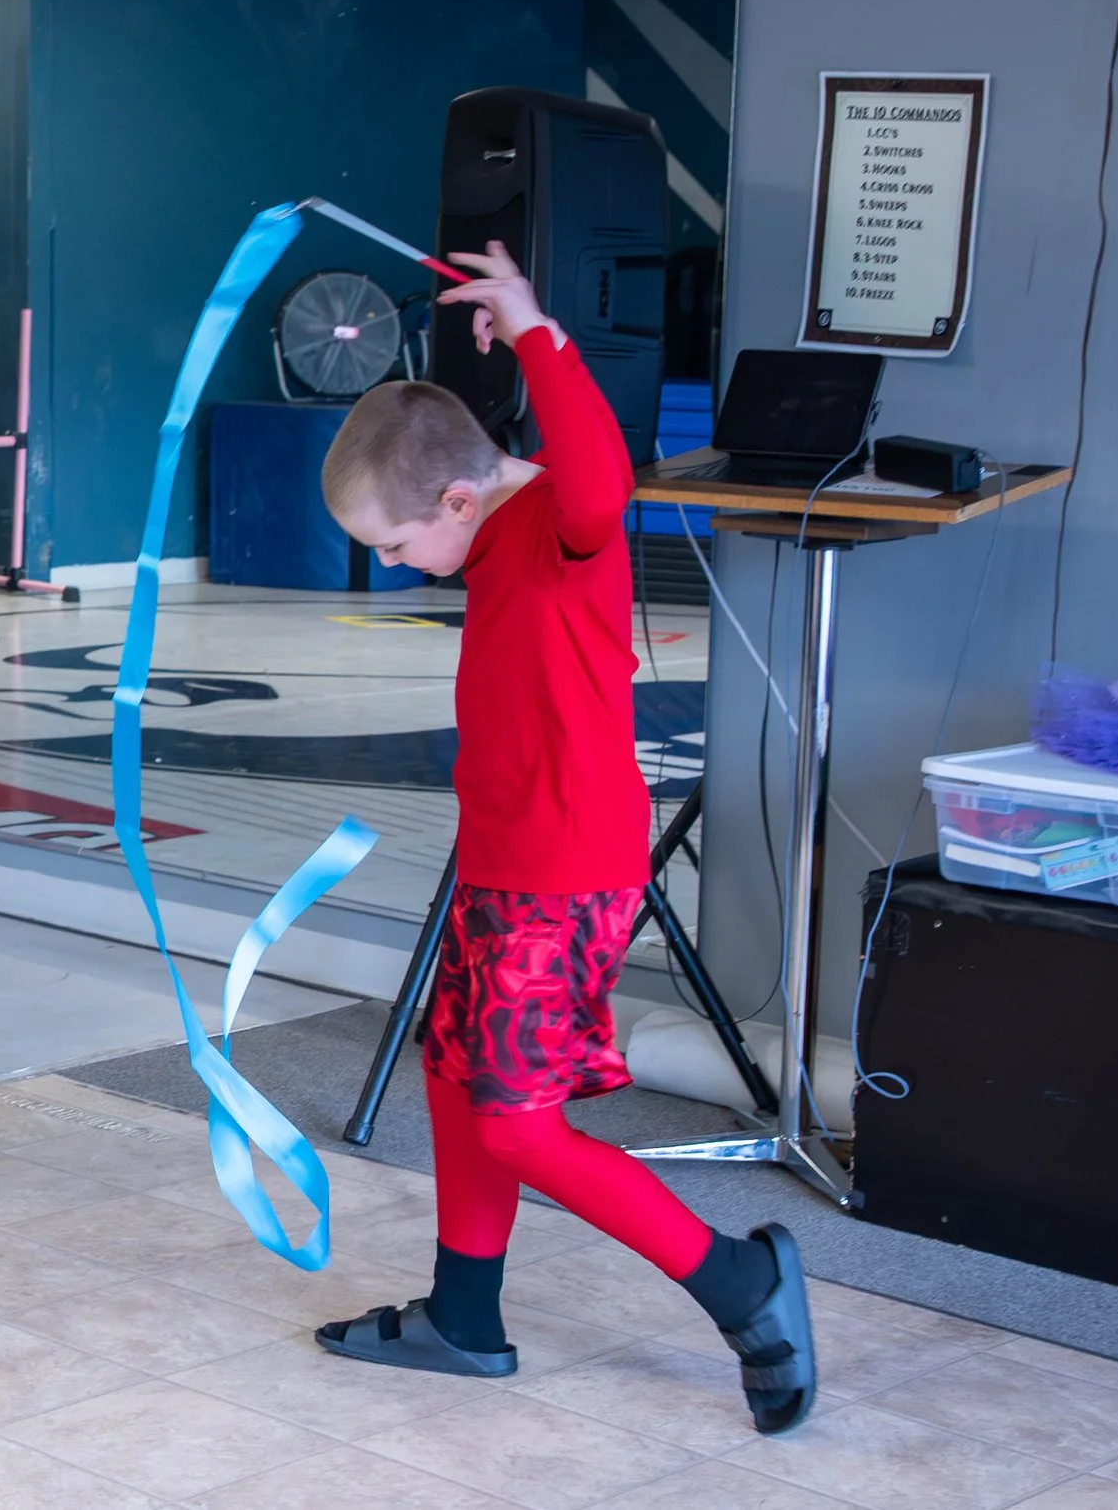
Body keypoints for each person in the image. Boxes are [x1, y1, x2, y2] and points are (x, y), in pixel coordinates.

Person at [312, 243, 817, 1435]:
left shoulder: (558, 523)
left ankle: (742, 1281)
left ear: (452, 499)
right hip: (501, 854)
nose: (392, 567)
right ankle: (464, 1317)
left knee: (514, 1119)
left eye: (394, 544)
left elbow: (595, 470)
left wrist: (538, 328)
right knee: (454, 1069)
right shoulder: (490, 524)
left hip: (562, 865)